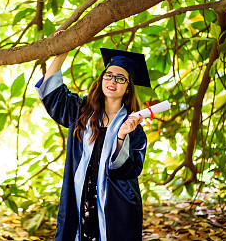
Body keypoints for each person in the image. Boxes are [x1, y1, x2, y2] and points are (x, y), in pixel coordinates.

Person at [35, 48, 151, 241]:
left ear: (128, 87)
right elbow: (51, 94)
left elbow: (127, 172)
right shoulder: (81, 111)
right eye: (109, 75)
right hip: (81, 198)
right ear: (101, 79)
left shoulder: (133, 127)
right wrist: (62, 52)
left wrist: (122, 135)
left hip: (115, 207)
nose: (112, 81)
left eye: (120, 78)